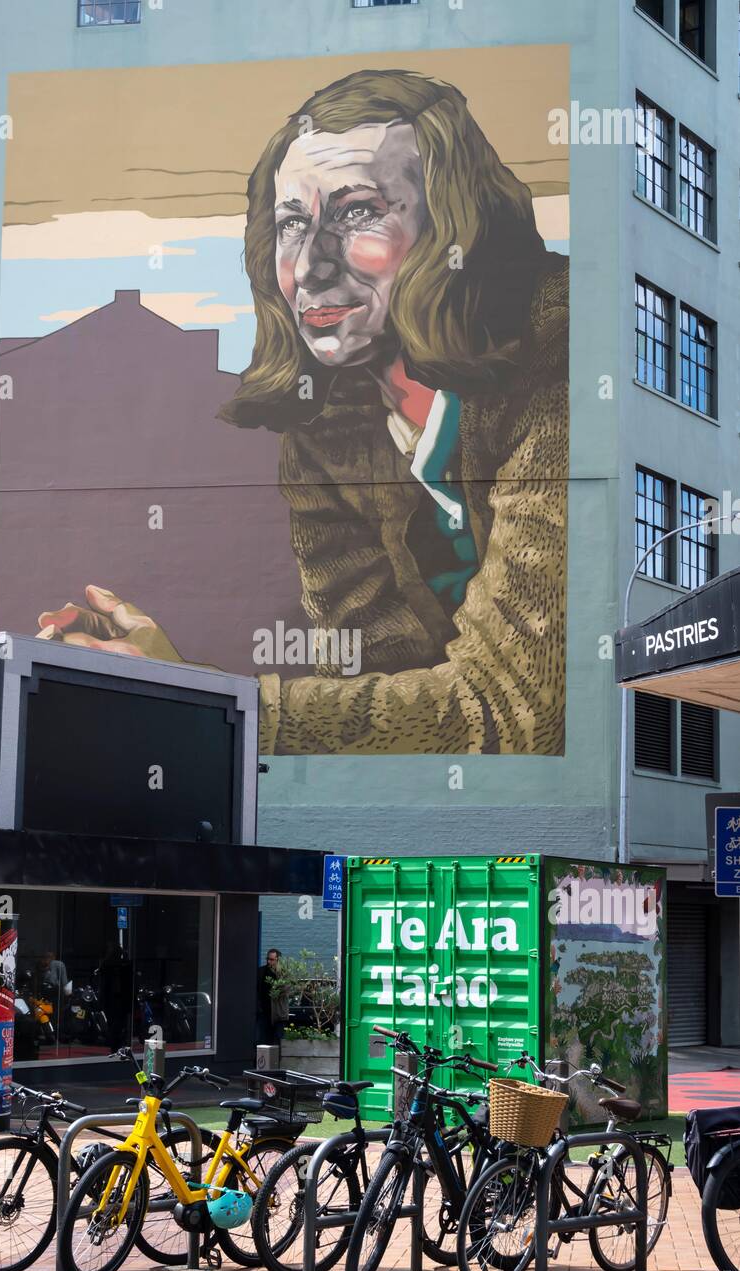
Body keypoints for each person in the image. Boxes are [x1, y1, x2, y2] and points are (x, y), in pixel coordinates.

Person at [35, 69, 569, 758]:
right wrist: (171, 687)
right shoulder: (327, 422)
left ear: (456, 225)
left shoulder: (560, 354)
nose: (310, 266)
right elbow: (369, 685)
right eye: (293, 224)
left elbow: (511, 714)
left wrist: (198, 699)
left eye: (356, 213)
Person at [256, 948, 288, 1048]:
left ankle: (277, 1062)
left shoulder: (284, 974)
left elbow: (286, 990)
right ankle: (262, 1062)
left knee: (278, 1040)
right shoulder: (261, 971)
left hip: (278, 1014)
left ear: (278, 960)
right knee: (262, 1041)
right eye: (268, 959)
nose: (269, 961)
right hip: (264, 1013)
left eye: (272, 959)